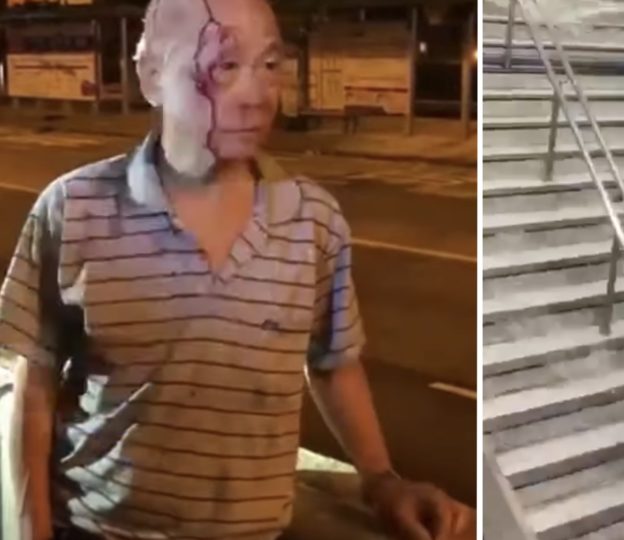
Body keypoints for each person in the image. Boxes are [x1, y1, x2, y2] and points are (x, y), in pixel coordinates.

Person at [0, 0, 473, 539]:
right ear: (151, 76)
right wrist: (30, 529)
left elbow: (332, 362)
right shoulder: (72, 206)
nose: (257, 95)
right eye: (224, 67)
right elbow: (34, 382)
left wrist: (381, 479)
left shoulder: (314, 220)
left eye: (270, 65)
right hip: (92, 528)